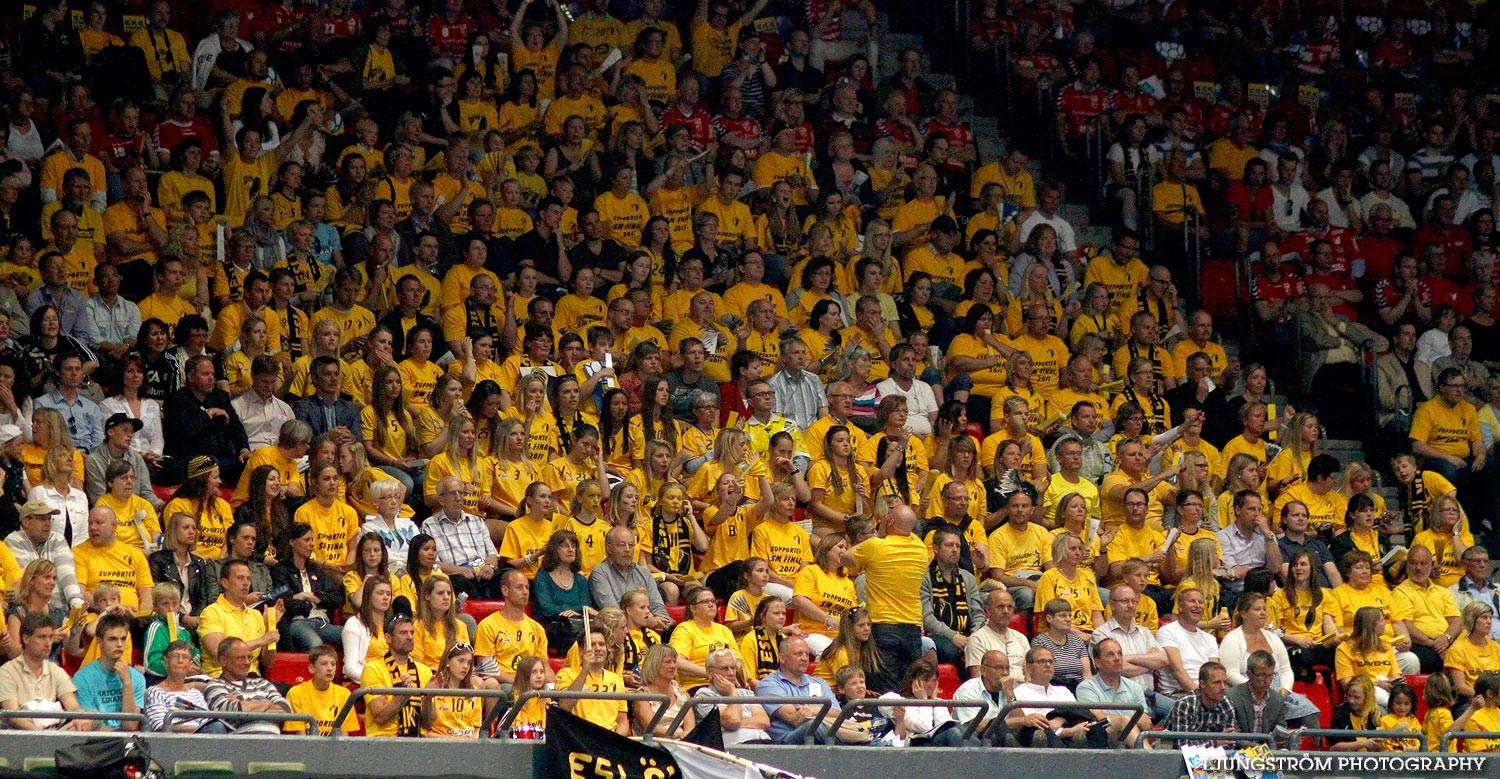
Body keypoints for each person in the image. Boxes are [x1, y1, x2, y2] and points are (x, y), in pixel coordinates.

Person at [164, 355, 250, 485]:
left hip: (222, 458)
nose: (211, 378)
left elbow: (236, 427)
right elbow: (183, 433)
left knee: (252, 464)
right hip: (190, 459)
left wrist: (243, 449)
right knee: (209, 462)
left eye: (213, 374)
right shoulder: (175, 400)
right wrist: (209, 414)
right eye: (205, 374)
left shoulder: (221, 397)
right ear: (191, 377)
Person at [1007, 646, 1105, 748]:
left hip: (1072, 731)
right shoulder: (1019, 692)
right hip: (1043, 738)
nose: (1048, 665)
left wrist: (1059, 718)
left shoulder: (1063, 690)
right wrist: (1068, 731)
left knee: (1096, 728)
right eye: (1042, 661)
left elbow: (1078, 713)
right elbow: (1032, 725)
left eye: (1051, 661)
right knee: (1039, 731)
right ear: (1029, 667)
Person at [0, 613, 83, 730]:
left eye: (50, 637)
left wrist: (79, 718)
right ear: (26, 638)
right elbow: (12, 716)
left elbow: (73, 706)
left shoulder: (55, 670)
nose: (48, 643)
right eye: (42, 637)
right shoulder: (7, 671)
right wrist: (41, 735)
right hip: (22, 737)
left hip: (55, 733)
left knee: (91, 717)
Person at [198, 559, 280, 678]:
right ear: (225, 583)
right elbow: (219, 652)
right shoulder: (211, 612)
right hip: (221, 678)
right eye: (240, 578)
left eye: (248, 579)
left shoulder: (256, 615)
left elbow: (268, 661)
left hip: (253, 679)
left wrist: (270, 626)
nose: (246, 583)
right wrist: (262, 640)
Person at [425, 475, 502, 600]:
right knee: (456, 581)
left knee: (508, 575)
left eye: (461, 493)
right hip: (458, 575)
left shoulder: (477, 521)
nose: (458, 498)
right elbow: (433, 562)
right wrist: (459, 570)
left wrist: (490, 567)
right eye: (453, 494)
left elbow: (492, 553)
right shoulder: (429, 525)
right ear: (441, 500)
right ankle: (481, 608)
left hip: (483, 572)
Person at [271, 523, 345, 651]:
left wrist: (312, 597)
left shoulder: (315, 569)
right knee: (315, 644)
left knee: (353, 635)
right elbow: (284, 603)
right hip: (298, 622)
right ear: (292, 542)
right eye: (306, 540)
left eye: (312, 540)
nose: (311, 544)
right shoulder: (281, 570)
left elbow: (335, 599)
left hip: (322, 622)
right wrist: (308, 603)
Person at [755, 635, 842, 744]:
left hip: (820, 734)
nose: (805, 658)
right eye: (798, 654)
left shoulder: (820, 683)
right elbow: (795, 718)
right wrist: (822, 712)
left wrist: (813, 710)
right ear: (782, 658)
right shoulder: (768, 685)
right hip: (786, 742)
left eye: (806, 654)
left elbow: (838, 714)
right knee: (814, 727)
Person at [922, 525, 987, 668]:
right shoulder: (924, 578)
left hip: (968, 634)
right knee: (950, 651)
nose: (955, 549)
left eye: (958, 546)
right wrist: (953, 636)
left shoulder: (968, 578)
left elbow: (978, 612)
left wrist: (975, 633)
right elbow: (927, 618)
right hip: (938, 635)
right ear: (936, 548)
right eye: (949, 545)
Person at [362, 613, 434, 738]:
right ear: (388, 638)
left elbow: (428, 724)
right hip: (384, 742)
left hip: (418, 742)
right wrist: (403, 696)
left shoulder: (424, 671)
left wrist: (428, 697)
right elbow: (379, 716)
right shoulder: (372, 669)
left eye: (412, 632)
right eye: (403, 633)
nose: (410, 637)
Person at [203, 637, 293, 735]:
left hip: (274, 744)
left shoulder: (262, 683)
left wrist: (243, 703)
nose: (247, 663)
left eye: (249, 657)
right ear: (223, 660)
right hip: (241, 746)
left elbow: (284, 709)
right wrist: (268, 703)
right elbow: (230, 711)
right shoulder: (215, 685)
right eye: (241, 658)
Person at [71, 612, 144, 731]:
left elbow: (130, 725)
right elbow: (88, 725)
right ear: (100, 642)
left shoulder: (137, 678)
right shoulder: (82, 677)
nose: (119, 645)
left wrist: (127, 683)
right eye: (112, 639)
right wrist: (116, 735)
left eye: (123, 639)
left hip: (126, 740)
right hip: (94, 741)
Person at [475, 569, 549, 685]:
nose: (525, 592)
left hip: (532, 684)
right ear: (505, 590)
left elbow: (545, 666)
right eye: (519, 587)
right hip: (504, 684)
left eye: (527, 588)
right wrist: (521, 683)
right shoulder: (488, 625)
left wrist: (552, 687)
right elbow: (486, 669)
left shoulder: (537, 628)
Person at [1076, 638, 1152, 748]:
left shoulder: (1134, 687)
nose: (1117, 658)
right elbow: (1100, 719)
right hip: (1103, 740)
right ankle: (1153, 761)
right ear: (1097, 662)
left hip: (1131, 741)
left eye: (1120, 654)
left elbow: (1146, 723)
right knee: (1124, 722)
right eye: (1110, 654)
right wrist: (1128, 719)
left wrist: (1122, 719)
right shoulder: (1086, 687)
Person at [590, 526, 671, 628]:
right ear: (609, 548)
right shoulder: (600, 573)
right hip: (619, 631)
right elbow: (612, 612)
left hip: (649, 628)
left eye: (631, 545)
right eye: (622, 545)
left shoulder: (644, 573)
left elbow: (658, 606)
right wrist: (646, 620)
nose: (627, 550)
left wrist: (660, 620)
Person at [555, 626, 631, 735]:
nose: (598, 648)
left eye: (601, 644)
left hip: (609, 742)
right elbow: (565, 706)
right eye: (592, 645)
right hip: (580, 740)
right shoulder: (566, 674)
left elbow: (622, 721)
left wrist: (614, 743)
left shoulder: (616, 679)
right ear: (581, 651)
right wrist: (585, 670)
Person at [691, 647, 774, 744]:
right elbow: (733, 720)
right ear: (709, 673)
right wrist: (732, 693)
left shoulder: (746, 693)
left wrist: (732, 725)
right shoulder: (705, 695)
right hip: (734, 749)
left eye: (733, 668)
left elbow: (764, 721)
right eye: (724, 669)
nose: (730, 673)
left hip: (765, 743)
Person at [146, 639, 225, 733]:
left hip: (204, 737)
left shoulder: (196, 694)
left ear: (190, 665)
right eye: (175, 656)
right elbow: (159, 726)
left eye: (185, 657)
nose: (180, 661)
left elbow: (206, 721)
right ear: (166, 662)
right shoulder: (155, 692)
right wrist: (197, 731)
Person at [285, 645, 359, 736]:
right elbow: (301, 737)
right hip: (308, 748)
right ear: (311, 668)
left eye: (333, 664)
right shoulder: (296, 693)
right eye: (324, 664)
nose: (330, 668)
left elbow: (344, 735)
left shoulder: (344, 694)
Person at [1161, 662, 1236, 746]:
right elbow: (1181, 745)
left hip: (1214, 757)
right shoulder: (1185, 705)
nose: (1223, 687)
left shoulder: (1226, 705)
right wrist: (1215, 743)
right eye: (1217, 682)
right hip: (1174, 756)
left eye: (1225, 682)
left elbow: (1230, 743)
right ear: (1202, 684)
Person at [965, 588, 1029, 682]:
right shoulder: (977, 639)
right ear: (988, 610)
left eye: (1009, 607)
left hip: (1023, 694)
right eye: (1000, 607)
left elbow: (1030, 675)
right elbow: (978, 680)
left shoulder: (1021, 638)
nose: (1006, 611)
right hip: (994, 693)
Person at [953, 649, 1014, 743]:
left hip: (1005, 737)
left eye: (1007, 668)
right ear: (983, 670)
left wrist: (1010, 696)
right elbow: (978, 726)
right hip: (974, 741)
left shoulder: (1009, 688)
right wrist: (1021, 721)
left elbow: (1020, 721)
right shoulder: (967, 690)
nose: (1005, 673)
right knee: (998, 726)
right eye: (999, 668)